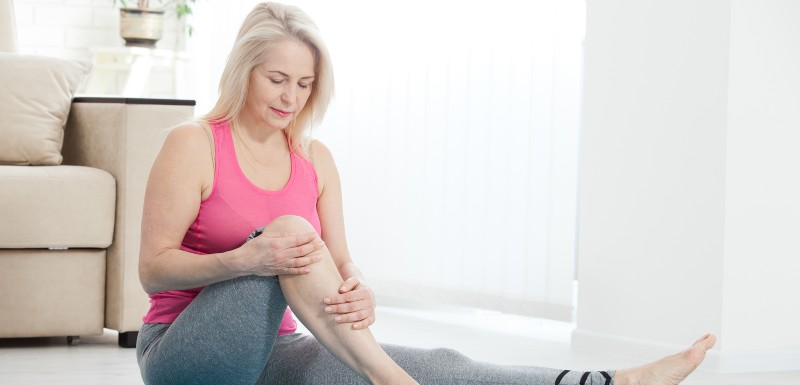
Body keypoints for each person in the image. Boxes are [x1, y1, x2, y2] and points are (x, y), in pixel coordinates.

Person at [135, 2, 717, 385]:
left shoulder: (314, 159)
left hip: (274, 356)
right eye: (277, 79)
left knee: (439, 365)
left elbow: (338, 263)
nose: (291, 97)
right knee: (288, 233)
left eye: (305, 84)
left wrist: (356, 288)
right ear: (244, 72)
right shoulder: (195, 144)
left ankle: (608, 382)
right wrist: (247, 258)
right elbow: (153, 270)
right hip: (184, 352)